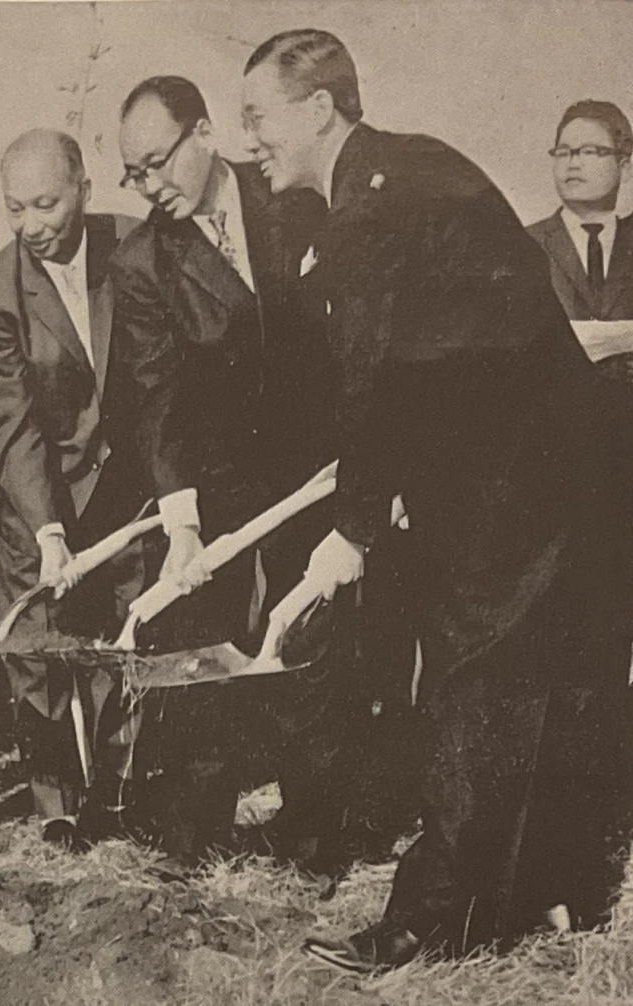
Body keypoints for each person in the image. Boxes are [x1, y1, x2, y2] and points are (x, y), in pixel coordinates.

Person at [240, 28, 633, 971]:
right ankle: (557, 892)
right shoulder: (406, 174)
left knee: (472, 685)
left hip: (518, 487)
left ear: (319, 107)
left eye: (258, 117)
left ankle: (433, 922)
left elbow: (380, 376)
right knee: (546, 685)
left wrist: (353, 530)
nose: (250, 140)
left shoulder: (378, 206)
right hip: (552, 469)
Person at [111, 76, 383, 870]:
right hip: (216, 478)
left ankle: (315, 840)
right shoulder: (143, 261)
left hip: (314, 469)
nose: (148, 186)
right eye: (133, 173)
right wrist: (181, 521)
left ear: (205, 133)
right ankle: (192, 840)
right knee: (199, 646)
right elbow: (157, 396)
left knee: (311, 643)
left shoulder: (295, 199)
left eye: (158, 162)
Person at [0, 129, 144, 850]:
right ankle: (57, 806)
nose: (32, 224)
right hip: (37, 494)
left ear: (84, 191)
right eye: (16, 208)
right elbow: (12, 425)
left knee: (122, 639)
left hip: (128, 491)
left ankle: (116, 790)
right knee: (39, 653)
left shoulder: (135, 247)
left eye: (47, 203)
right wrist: (47, 531)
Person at [527, 101, 632, 321]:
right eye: (563, 152)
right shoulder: (525, 242)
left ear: (623, 166)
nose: (573, 163)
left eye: (589, 152)